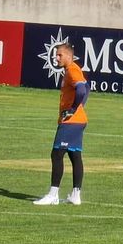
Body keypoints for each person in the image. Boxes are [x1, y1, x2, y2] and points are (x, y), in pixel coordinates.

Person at [33, 42, 87, 205]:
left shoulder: (72, 70)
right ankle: (76, 195)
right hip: (79, 120)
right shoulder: (73, 70)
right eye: (56, 55)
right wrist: (80, 107)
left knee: (56, 154)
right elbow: (87, 88)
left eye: (59, 55)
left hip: (71, 121)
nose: (56, 58)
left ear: (69, 56)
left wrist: (72, 109)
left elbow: (82, 90)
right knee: (74, 154)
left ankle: (53, 195)